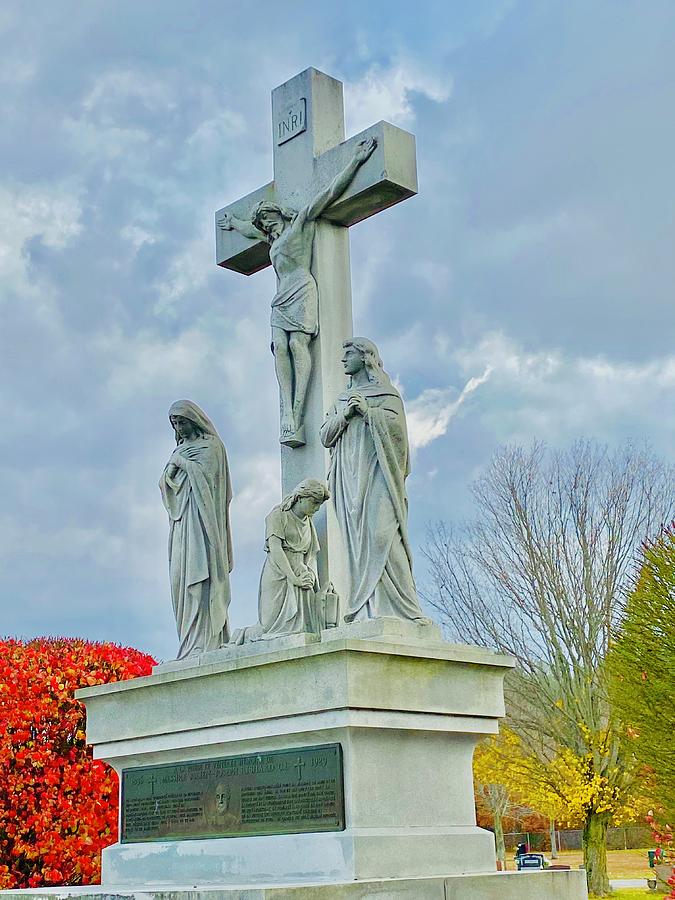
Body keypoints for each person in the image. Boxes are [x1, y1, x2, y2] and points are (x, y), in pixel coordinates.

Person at [218, 137, 377, 446]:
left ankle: (297, 408)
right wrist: (235, 223)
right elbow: (249, 230)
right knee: (280, 347)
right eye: (262, 221)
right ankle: (287, 414)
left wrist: (356, 161)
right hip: (280, 299)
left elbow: (329, 193)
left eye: (268, 216)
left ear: (279, 213)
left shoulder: (301, 223)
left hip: (302, 288)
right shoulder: (271, 242)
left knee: (297, 346)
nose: (265, 223)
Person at [320, 338, 431, 624]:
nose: (343, 361)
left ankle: (405, 609)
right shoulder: (341, 400)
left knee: (382, 533)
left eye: (348, 355)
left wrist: (369, 414)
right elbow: (325, 436)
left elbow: (398, 436)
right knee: (359, 541)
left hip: (378, 471)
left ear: (366, 358)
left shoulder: (387, 395)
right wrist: (346, 414)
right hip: (348, 476)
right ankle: (367, 609)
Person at [159, 400, 233, 659]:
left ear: (194, 420)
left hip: (203, 525)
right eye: (175, 424)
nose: (179, 427)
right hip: (181, 524)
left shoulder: (212, 447)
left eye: (182, 421)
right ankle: (188, 642)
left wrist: (183, 464)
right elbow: (165, 485)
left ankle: (204, 641)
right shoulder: (179, 451)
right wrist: (171, 471)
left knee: (200, 577)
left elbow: (211, 484)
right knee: (181, 577)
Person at [231, 478, 329, 643]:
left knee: (299, 628)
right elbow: (276, 550)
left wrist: (313, 581)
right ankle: (241, 637)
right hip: (278, 573)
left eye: (319, 504)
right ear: (300, 497)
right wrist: (294, 578)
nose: (317, 508)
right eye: (314, 503)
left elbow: (310, 554)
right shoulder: (277, 516)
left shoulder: (308, 522)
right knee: (268, 627)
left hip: (301, 576)